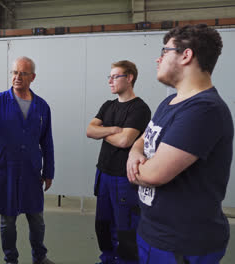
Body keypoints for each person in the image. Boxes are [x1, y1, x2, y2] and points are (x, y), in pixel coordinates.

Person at [127, 24, 233, 264]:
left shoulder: (204, 109)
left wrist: (134, 167)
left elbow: (154, 174)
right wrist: (134, 154)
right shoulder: (170, 102)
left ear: (186, 55)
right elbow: (142, 139)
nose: (158, 58)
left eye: (164, 51)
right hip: (153, 232)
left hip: (182, 243)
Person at [0, 56, 55, 264]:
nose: (17, 77)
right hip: (6, 170)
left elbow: (47, 141)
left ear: (32, 77)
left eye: (22, 73)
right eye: (14, 72)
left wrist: (49, 171)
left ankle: (39, 256)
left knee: (37, 219)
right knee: (7, 222)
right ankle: (10, 259)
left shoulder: (42, 107)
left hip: (32, 171)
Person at [86, 60, 151, 264]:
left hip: (123, 178)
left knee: (125, 227)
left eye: (115, 76)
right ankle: (107, 259)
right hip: (103, 173)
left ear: (129, 78)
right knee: (103, 224)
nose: (110, 81)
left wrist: (102, 132)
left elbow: (125, 141)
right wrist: (112, 130)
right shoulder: (108, 105)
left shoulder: (140, 109)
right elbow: (89, 130)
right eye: (109, 77)